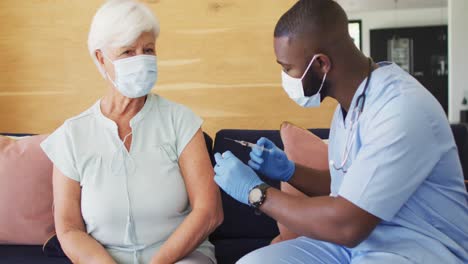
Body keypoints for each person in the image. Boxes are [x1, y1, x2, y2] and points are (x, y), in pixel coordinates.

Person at [213, 0, 468, 263]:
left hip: (417, 250)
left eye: (287, 68)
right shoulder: (349, 108)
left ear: (321, 64)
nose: (284, 77)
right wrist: (290, 171)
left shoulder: (402, 108)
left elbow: (347, 225)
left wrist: (256, 192)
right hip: (356, 247)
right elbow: (350, 188)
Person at [40, 1, 223, 263]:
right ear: (102, 59)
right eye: (128, 52)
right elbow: (69, 229)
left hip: (182, 258)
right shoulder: (71, 136)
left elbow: (209, 212)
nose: (141, 60)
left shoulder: (181, 120)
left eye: (148, 50)